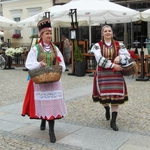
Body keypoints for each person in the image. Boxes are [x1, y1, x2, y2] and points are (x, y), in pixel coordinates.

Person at [21, 18, 67, 143]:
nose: (49, 36)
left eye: (50, 33)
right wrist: (39, 64)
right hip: (41, 81)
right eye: (47, 33)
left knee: (51, 105)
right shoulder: (36, 48)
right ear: (41, 35)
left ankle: (51, 130)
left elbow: (62, 63)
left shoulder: (55, 48)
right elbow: (28, 64)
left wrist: (58, 68)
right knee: (45, 103)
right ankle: (43, 120)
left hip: (53, 80)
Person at [91, 25, 131, 131]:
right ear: (102, 33)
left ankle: (113, 122)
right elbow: (99, 59)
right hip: (103, 74)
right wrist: (113, 65)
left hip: (116, 74)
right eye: (105, 31)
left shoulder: (119, 45)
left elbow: (128, 56)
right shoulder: (97, 46)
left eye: (109, 31)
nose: (108, 32)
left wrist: (120, 57)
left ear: (112, 33)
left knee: (116, 97)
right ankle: (106, 108)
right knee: (104, 98)